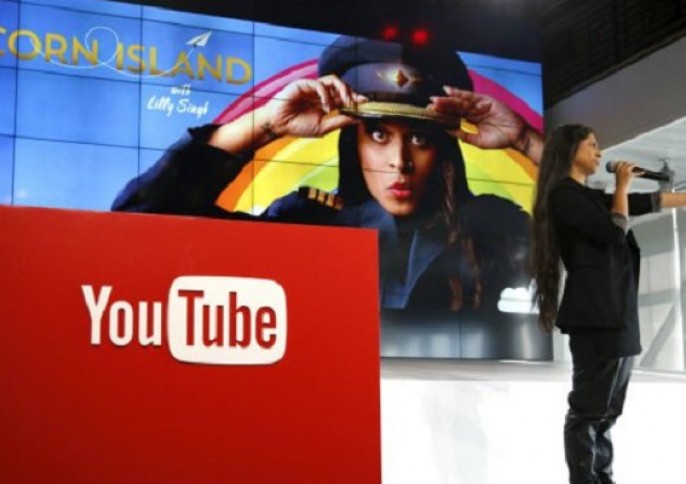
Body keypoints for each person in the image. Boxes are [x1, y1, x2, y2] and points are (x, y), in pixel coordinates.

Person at [113, 35, 543, 326]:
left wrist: (526, 140)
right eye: (379, 135)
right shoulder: (309, 221)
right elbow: (140, 223)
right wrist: (266, 125)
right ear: (353, 143)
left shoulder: (494, 228)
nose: (400, 162)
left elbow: (582, 257)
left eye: (419, 138)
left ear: (443, 148)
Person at [530, 124, 686, 483]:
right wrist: (622, 187)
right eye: (592, 145)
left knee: (608, 411)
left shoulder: (587, 197)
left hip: (618, 315)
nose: (599, 153)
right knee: (588, 411)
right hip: (595, 317)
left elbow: (646, 203)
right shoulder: (562, 196)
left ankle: (602, 477)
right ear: (570, 150)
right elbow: (614, 232)